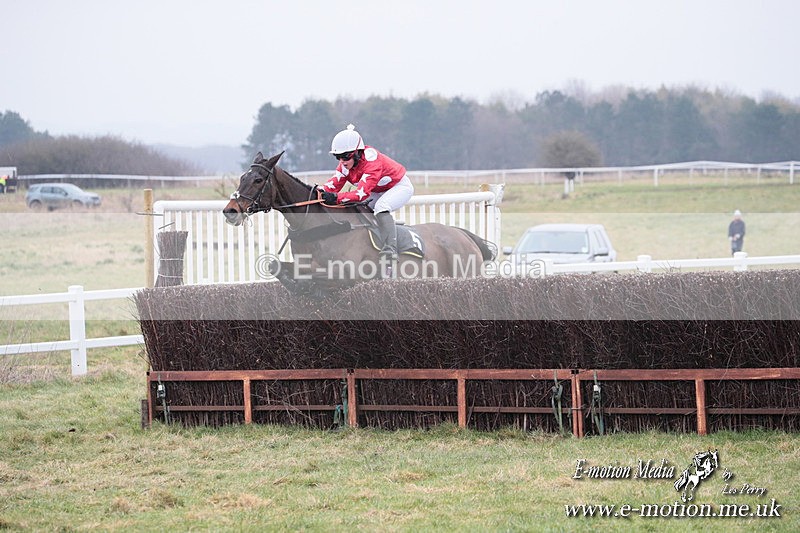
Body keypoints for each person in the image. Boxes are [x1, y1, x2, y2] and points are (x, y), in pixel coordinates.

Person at [321, 124, 414, 262]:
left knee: (381, 207)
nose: (342, 161)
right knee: (356, 208)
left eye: (345, 156)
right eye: (338, 157)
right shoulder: (346, 165)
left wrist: (336, 198)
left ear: (357, 153)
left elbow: (361, 194)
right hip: (377, 189)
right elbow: (331, 186)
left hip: (399, 186)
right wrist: (316, 193)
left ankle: (391, 248)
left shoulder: (372, 162)